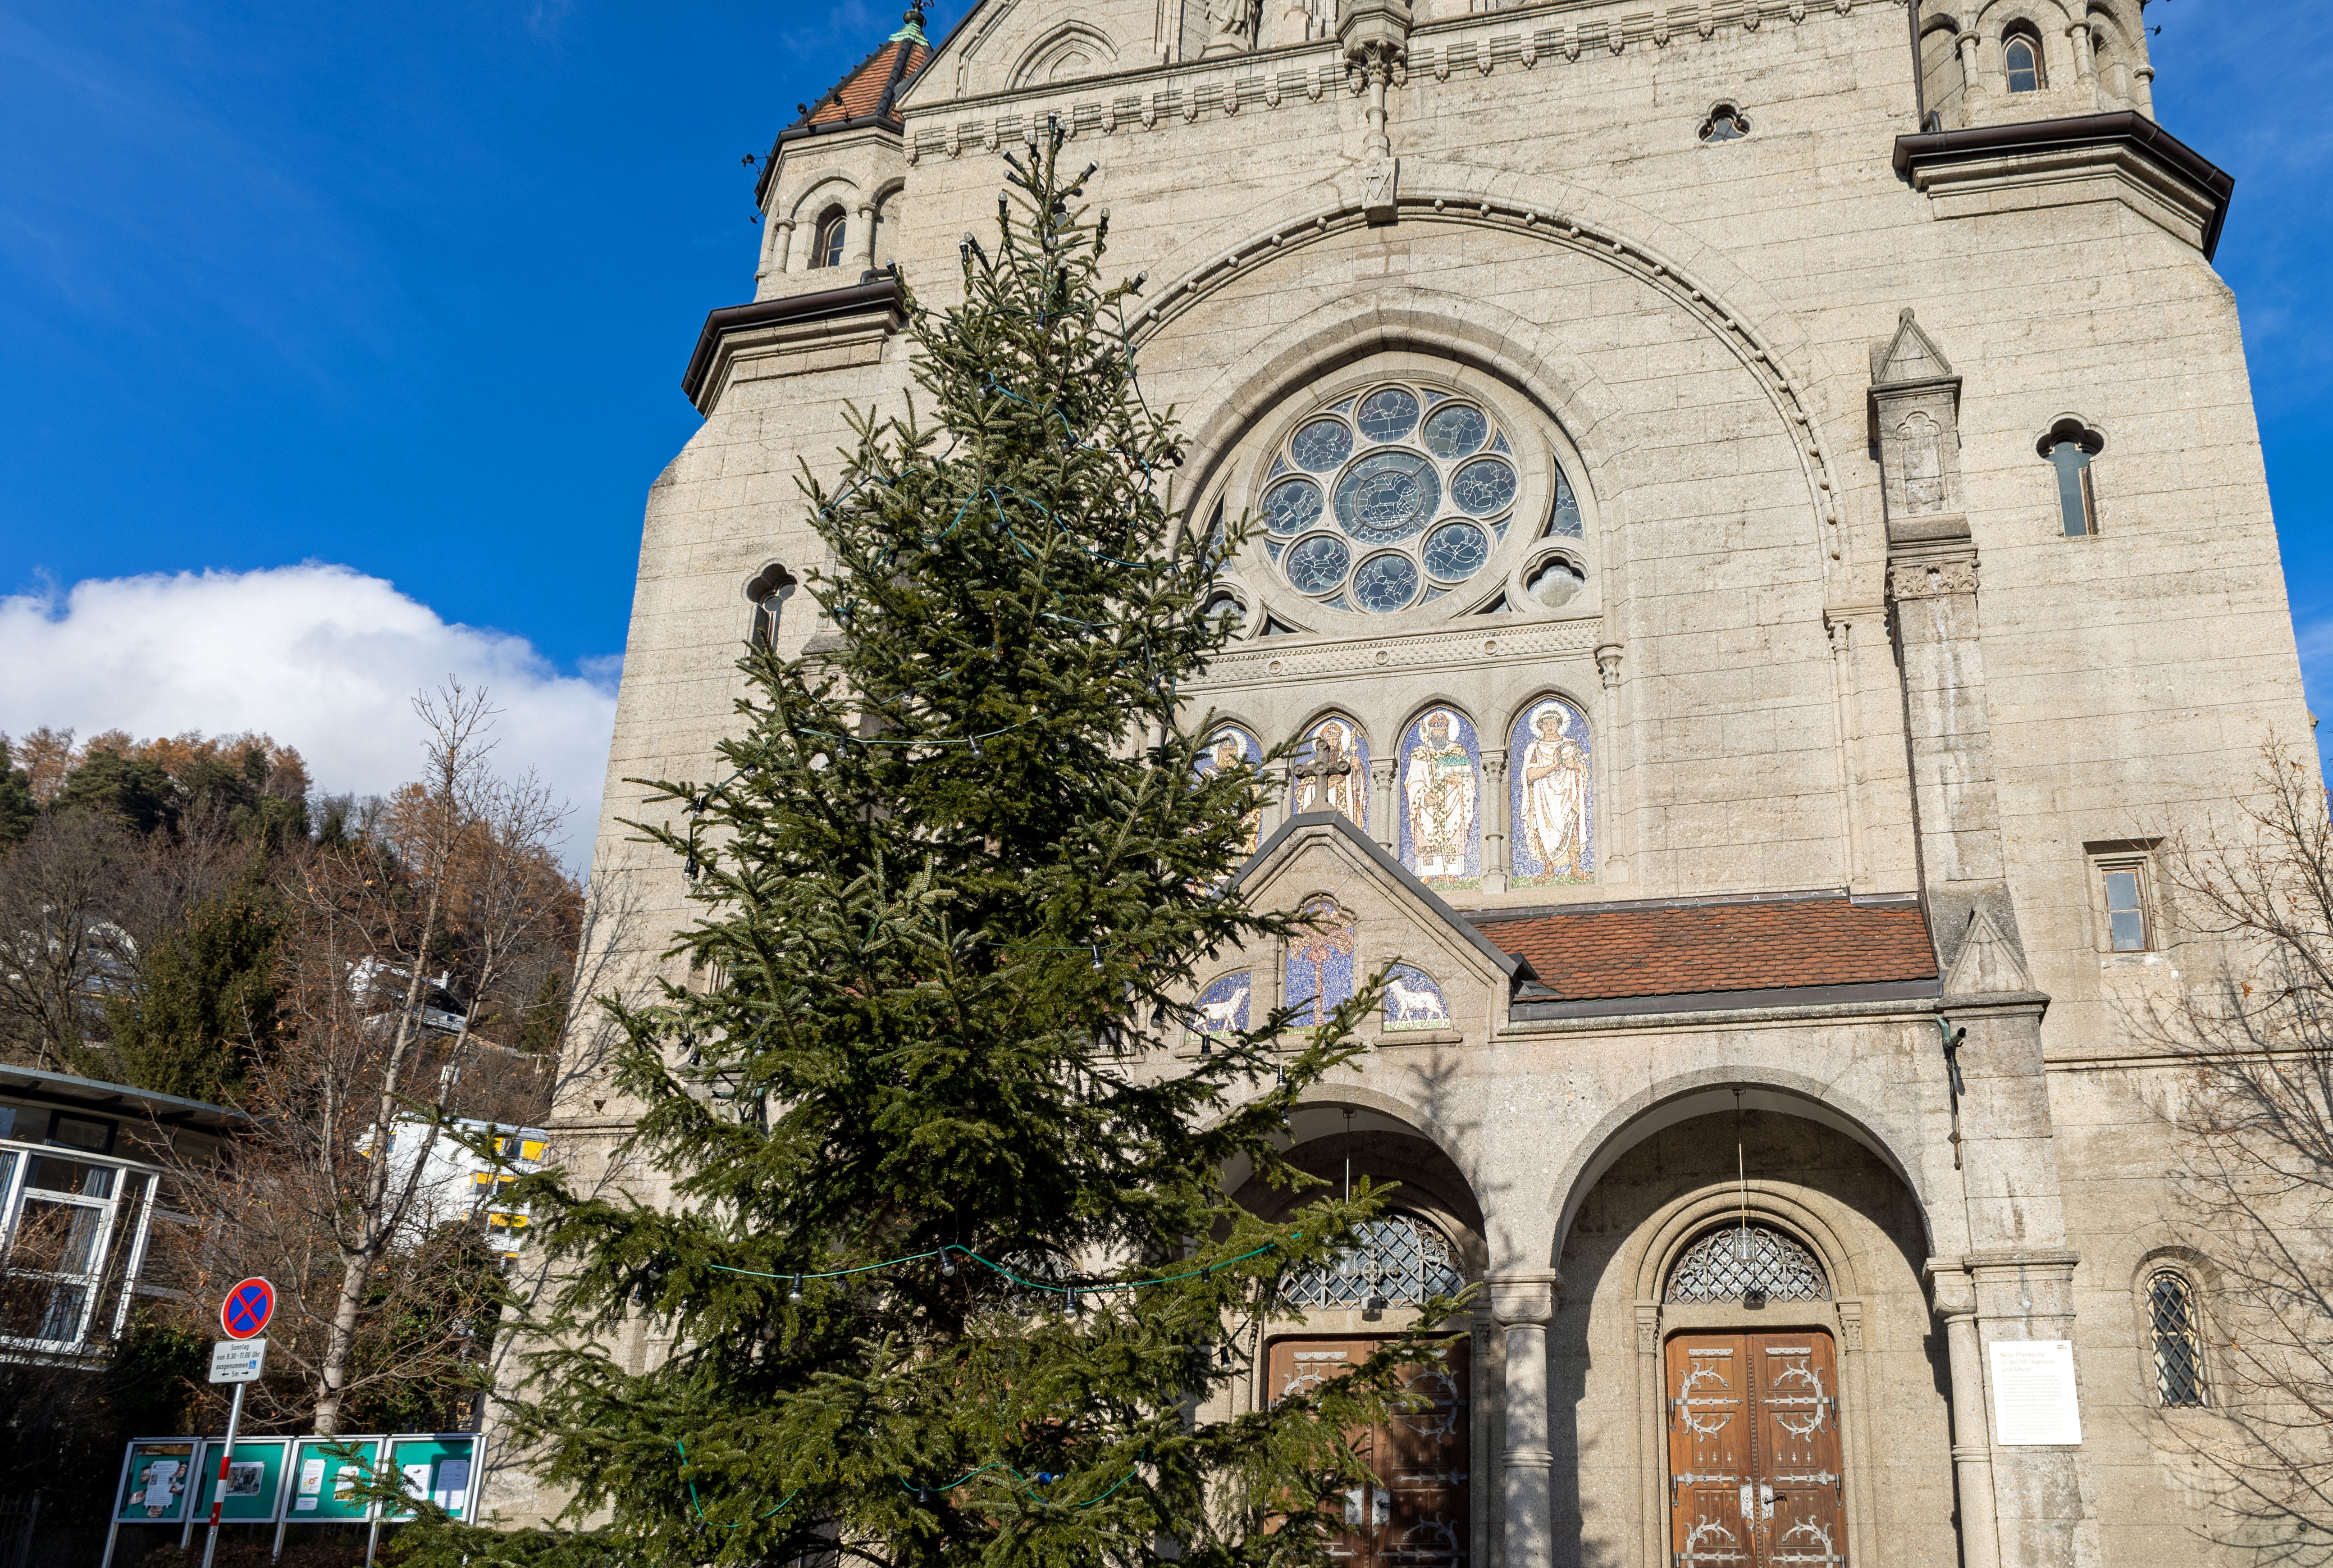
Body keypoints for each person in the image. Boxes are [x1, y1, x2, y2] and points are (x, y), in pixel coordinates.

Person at [1518, 703, 1589, 880]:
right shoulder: (1534, 748)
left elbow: (1582, 768)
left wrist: (1575, 766)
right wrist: (1554, 766)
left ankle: (1576, 868)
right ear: (1540, 726)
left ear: (1559, 724)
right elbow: (1530, 774)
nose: (1550, 727)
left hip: (1568, 793)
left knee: (1573, 826)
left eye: (1553, 723)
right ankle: (1548, 870)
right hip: (1544, 797)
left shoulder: (1571, 745)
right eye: (1546, 723)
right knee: (1541, 830)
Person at [1403, 709, 1477, 879]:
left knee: (1453, 832)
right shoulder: (1420, 753)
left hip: (1453, 802)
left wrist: (1462, 781)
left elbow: (1470, 778)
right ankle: (1427, 874)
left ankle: (1450, 874)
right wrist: (1424, 796)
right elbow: (1412, 782)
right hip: (1428, 807)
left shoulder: (1457, 751)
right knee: (1427, 832)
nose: (1440, 732)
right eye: (1436, 729)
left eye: (1443, 729)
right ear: (1430, 731)